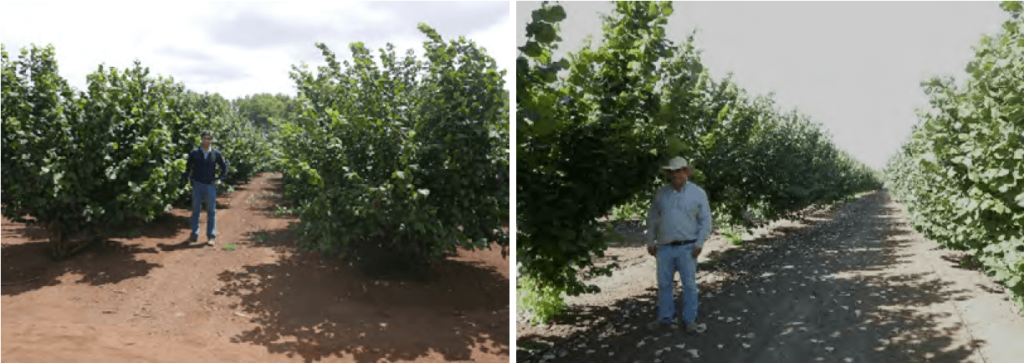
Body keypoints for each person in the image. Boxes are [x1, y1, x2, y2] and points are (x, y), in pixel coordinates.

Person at [646, 156, 712, 333]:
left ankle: (689, 320)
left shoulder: (698, 193)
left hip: (688, 247)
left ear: (687, 172)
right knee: (664, 284)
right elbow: (652, 218)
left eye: (679, 172)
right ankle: (665, 318)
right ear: (668, 174)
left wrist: (699, 243)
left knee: (689, 285)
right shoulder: (661, 193)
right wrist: (650, 241)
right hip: (665, 247)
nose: (676, 176)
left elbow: (706, 221)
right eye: (673, 173)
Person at [182, 131, 229, 246]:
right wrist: (187, 179)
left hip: (211, 185)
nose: (207, 141)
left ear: (212, 140)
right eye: (205, 138)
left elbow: (224, 167)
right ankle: (194, 234)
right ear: (201, 139)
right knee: (195, 210)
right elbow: (186, 167)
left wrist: (221, 179)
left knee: (211, 211)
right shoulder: (195, 153)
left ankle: (211, 236)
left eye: (209, 139)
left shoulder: (216, 153)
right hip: (197, 184)